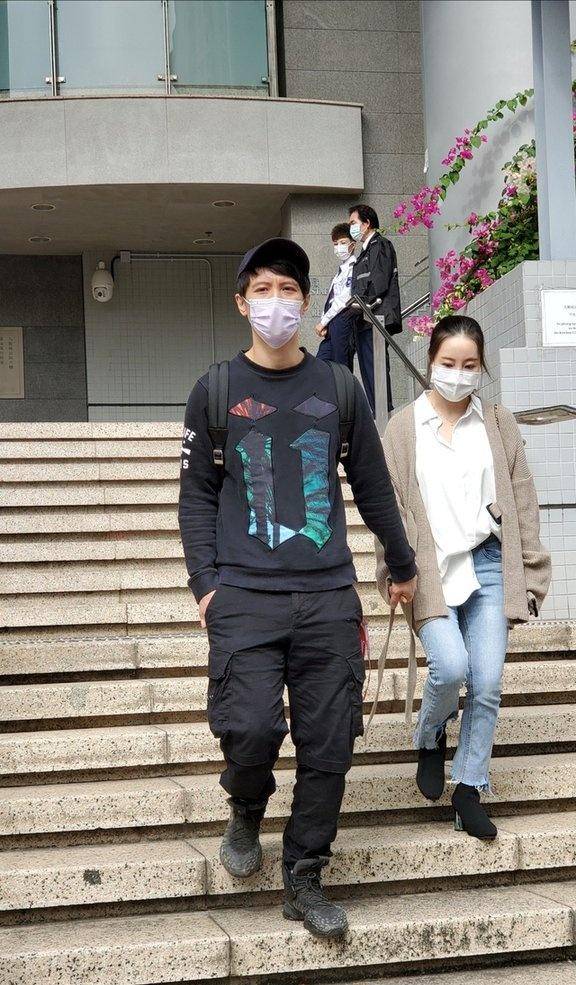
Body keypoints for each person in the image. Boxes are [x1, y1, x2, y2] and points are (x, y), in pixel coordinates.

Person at [178, 237, 417, 939]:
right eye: (263, 289)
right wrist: (206, 585)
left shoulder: (339, 388)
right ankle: (246, 805)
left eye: (288, 289)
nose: (275, 302)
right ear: (241, 303)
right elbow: (195, 497)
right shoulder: (215, 391)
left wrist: (402, 563)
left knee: (330, 743)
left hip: (327, 595)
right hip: (244, 595)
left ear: (307, 303)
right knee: (249, 728)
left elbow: (372, 485)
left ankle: (304, 876)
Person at [375, 315, 551, 840]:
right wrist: (396, 568)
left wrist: (532, 575)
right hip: (428, 569)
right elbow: (389, 506)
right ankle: (430, 734)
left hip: (490, 562)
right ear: (430, 361)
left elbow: (522, 500)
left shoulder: (497, 422)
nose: (458, 373)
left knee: (488, 682)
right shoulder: (403, 427)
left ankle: (469, 787)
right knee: (450, 667)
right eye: (448, 362)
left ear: (481, 367)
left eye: (469, 364)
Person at [348, 204, 402, 415]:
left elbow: (379, 282)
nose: (351, 227)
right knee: (368, 371)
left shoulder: (380, 245)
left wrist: (361, 301)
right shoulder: (364, 251)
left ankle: (384, 415)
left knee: (376, 369)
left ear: (367, 223)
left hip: (375, 316)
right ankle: (378, 414)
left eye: (353, 223)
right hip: (364, 318)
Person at [315, 222, 357, 371]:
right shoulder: (340, 271)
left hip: (343, 320)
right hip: (332, 323)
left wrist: (323, 321)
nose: (339, 247)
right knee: (320, 365)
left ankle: (346, 388)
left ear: (353, 245)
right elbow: (331, 299)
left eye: (343, 243)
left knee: (342, 368)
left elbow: (343, 299)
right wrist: (325, 322)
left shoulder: (354, 267)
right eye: (335, 244)